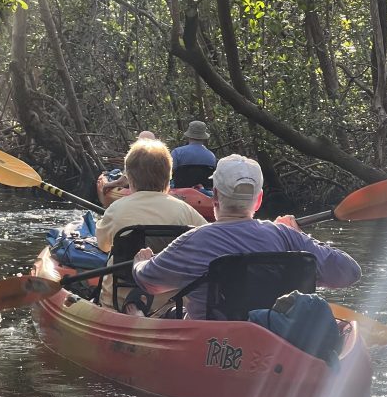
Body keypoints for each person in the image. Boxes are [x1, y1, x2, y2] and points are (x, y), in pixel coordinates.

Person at [132, 154, 361, 320]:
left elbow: (149, 283)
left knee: (164, 313)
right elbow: (349, 273)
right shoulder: (286, 237)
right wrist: (299, 234)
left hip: (214, 346)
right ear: (259, 200)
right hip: (276, 340)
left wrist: (140, 262)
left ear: (216, 196)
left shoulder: (194, 240)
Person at [95, 139, 207, 314]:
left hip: (118, 302)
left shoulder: (116, 209)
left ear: (129, 179)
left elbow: (103, 245)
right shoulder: (186, 211)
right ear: (169, 178)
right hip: (172, 305)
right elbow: (206, 246)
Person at [170, 121, 217, 188]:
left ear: (188, 136)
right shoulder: (211, 156)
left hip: (180, 193)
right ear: (203, 138)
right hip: (205, 195)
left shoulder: (177, 153)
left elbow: (169, 174)